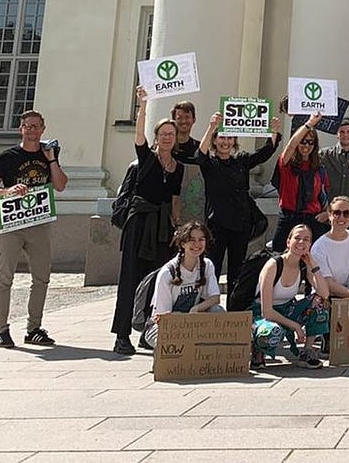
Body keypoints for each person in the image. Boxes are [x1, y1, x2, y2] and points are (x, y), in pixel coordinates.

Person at [0, 109, 67, 349]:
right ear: (21, 129)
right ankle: (1, 329)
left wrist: (51, 160)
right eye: (27, 126)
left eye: (36, 126)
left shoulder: (48, 153)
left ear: (43, 129)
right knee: (5, 277)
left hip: (38, 223)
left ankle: (34, 328)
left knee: (41, 277)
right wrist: (6, 191)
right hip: (11, 223)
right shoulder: (7, 157)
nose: (31, 130)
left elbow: (60, 185)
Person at [113, 89, 183, 355]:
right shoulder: (147, 158)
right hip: (140, 222)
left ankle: (147, 332)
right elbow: (138, 138)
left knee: (157, 280)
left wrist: (177, 227)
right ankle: (122, 334)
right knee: (131, 277)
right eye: (163, 134)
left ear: (176, 139)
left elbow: (175, 199)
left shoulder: (177, 166)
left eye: (171, 134)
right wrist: (142, 106)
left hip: (163, 226)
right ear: (156, 137)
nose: (167, 138)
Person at [196, 109, 280, 283]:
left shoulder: (241, 160)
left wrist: (274, 132)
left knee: (237, 267)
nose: (225, 142)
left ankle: (235, 307)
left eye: (229, 138)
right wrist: (212, 126)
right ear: (215, 140)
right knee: (213, 265)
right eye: (222, 138)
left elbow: (264, 154)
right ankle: (209, 302)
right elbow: (200, 154)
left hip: (240, 224)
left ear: (234, 141)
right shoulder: (209, 164)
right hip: (217, 224)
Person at [251, 222, 329, 368]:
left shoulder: (303, 265)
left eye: (306, 239)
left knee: (320, 303)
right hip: (263, 315)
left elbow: (324, 293)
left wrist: (313, 264)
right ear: (288, 241)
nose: (301, 242)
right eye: (297, 238)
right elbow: (266, 311)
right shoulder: (273, 265)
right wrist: (296, 326)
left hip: (288, 310)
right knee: (270, 334)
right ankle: (257, 349)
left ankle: (306, 351)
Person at [142, 220, 223, 349]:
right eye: (192, 240)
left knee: (217, 311)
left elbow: (215, 298)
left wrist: (197, 309)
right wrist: (183, 320)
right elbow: (163, 317)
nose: (197, 244)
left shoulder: (207, 265)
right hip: (165, 325)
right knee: (172, 338)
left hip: (193, 321)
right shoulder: (167, 272)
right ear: (183, 243)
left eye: (201, 240)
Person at [273, 120, 330, 251]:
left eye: (311, 142)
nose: (306, 145)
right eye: (303, 141)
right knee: (279, 258)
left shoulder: (319, 168)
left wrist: (327, 213)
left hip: (313, 220)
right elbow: (291, 145)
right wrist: (309, 124)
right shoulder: (286, 164)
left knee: (313, 260)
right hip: (289, 218)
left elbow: (326, 194)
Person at [310, 195, 349, 301]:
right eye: (336, 213)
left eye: (347, 213)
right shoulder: (319, 247)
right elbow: (328, 284)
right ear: (329, 215)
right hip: (328, 299)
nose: (341, 217)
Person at [322, 117, 349, 233]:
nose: (345, 135)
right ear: (337, 133)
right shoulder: (324, 155)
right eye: (342, 132)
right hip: (328, 216)